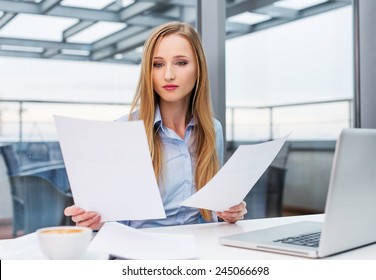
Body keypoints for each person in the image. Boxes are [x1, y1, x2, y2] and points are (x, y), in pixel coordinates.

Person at [64, 21, 247, 230]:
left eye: (181, 62)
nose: (168, 75)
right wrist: (94, 220)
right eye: (158, 64)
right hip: (140, 251)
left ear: (198, 68)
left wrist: (230, 211)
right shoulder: (124, 130)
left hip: (200, 247)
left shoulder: (212, 129)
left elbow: (212, 207)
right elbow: (115, 220)